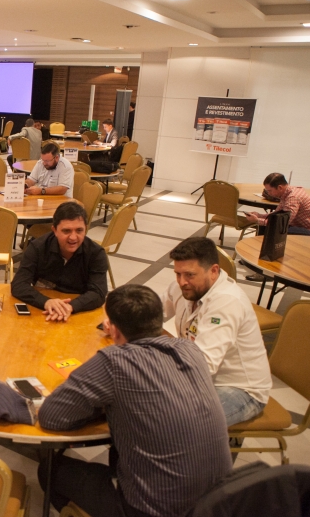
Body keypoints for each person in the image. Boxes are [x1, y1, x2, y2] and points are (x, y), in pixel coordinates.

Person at [38, 284, 231, 517]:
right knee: (121, 449)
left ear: (114, 330)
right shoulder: (190, 350)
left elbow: (51, 416)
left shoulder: (114, 360)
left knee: (50, 470)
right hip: (217, 504)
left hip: (154, 510)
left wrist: (101, 407)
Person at [162, 237, 272, 426]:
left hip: (240, 389)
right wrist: (120, 318)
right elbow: (150, 311)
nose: (182, 282)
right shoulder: (185, 288)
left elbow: (203, 364)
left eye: (189, 275)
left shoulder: (226, 302)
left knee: (173, 422)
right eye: (177, 274)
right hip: (202, 377)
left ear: (213, 271)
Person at [11, 202, 108, 320]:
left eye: (79, 230)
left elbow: (98, 293)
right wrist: (46, 302)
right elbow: (19, 285)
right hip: (44, 310)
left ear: (86, 229)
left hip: (78, 312)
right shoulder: (37, 248)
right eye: (66, 231)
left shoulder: (96, 253)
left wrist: (70, 307)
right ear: (55, 230)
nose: (73, 237)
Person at [244, 172, 310, 236]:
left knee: (273, 229)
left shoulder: (292, 198)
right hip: (296, 225)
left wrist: (257, 220)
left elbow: (282, 223)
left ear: (280, 187)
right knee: (265, 225)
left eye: (270, 191)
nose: (268, 193)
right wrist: (259, 215)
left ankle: (265, 244)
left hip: (306, 229)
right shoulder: (287, 193)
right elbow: (277, 214)